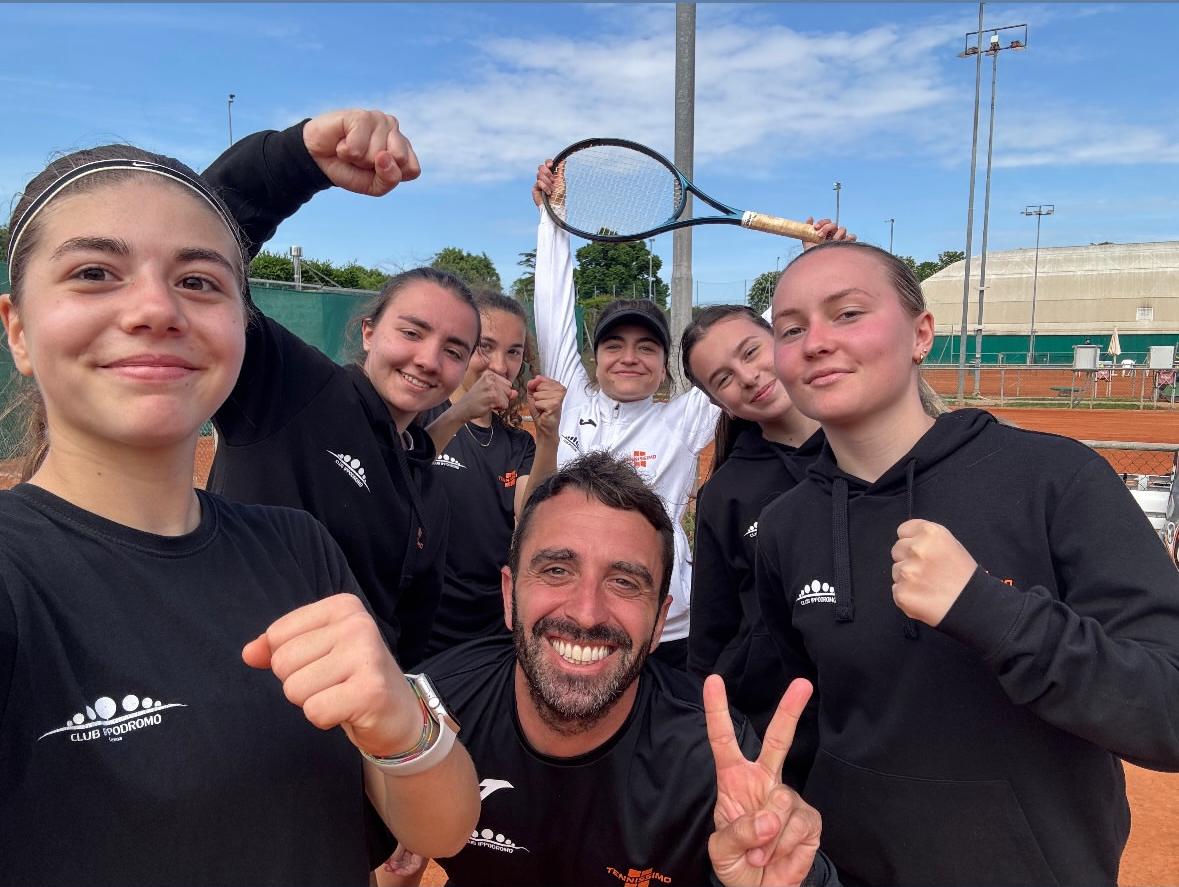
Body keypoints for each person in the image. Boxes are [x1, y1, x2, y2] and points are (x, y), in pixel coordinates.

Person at [0, 144, 479, 885]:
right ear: (18, 330)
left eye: (198, 282)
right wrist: (300, 153)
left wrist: (402, 726)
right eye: (94, 273)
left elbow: (445, 823)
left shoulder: (299, 547)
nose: (156, 308)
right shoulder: (15, 581)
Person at [758, 239, 1179, 885]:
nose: (814, 341)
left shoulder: (1054, 477)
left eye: (846, 313)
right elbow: (801, 716)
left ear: (920, 333)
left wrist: (988, 610)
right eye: (789, 328)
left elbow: (1164, 708)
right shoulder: (786, 525)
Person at [380, 452, 839, 887]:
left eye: (624, 582)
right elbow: (390, 865)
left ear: (660, 621)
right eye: (557, 570)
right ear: (509, 594)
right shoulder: (432, 717)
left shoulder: (712, 763)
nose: (585, 613)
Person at [532, 160, 849, 668]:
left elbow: (751, 343)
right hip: (579, 613)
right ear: (593, 359)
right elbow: (552, 304)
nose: (630, 357)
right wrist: (555, 215)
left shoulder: (682, 418)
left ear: (665, 369)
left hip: (670, 624)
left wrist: (810, 261)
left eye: (647, 348)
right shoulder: (572, 400)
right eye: (614, 346)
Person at [202, 110, 479, 667]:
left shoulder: (422, 481)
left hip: (354, 736)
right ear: (370, 331)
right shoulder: (290, 387)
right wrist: (297, 159)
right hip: (243, 698)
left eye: (454, 350)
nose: (429, 360)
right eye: (412, 332)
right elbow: (202, 247)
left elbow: (404, 632)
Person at [679, 305, 823, 738]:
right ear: (716, 401)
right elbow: (711, 632)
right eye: (722, 378)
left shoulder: (867, 450)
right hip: (781, 728)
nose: (746, 376)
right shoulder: (725, 494)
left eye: (751, 351)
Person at [417, 289, 567, 657]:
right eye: (485, 347)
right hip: (422, 626)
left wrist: (548, 437)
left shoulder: (518, 444)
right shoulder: (420, 417)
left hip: (493, 629)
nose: (500, 366)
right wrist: (461, 411)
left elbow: (532, 511)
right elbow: (401, 471)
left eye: (514, 352)